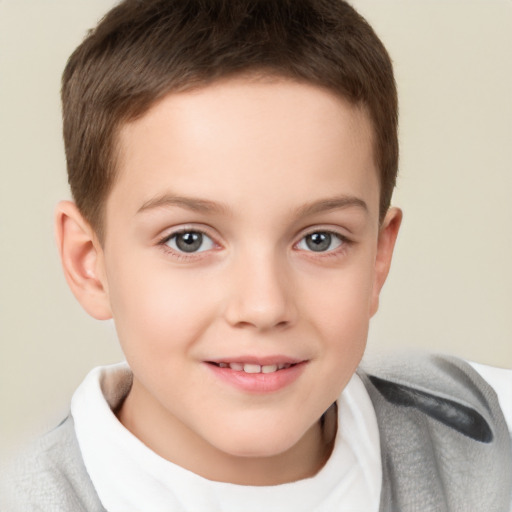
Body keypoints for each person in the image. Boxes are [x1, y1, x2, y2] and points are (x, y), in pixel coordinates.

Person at [1, 0, 510, 510]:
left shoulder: (483, 430)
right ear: (89, 261)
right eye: (189, 240)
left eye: (319, 239)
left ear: (378, 257)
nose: (264, 306)